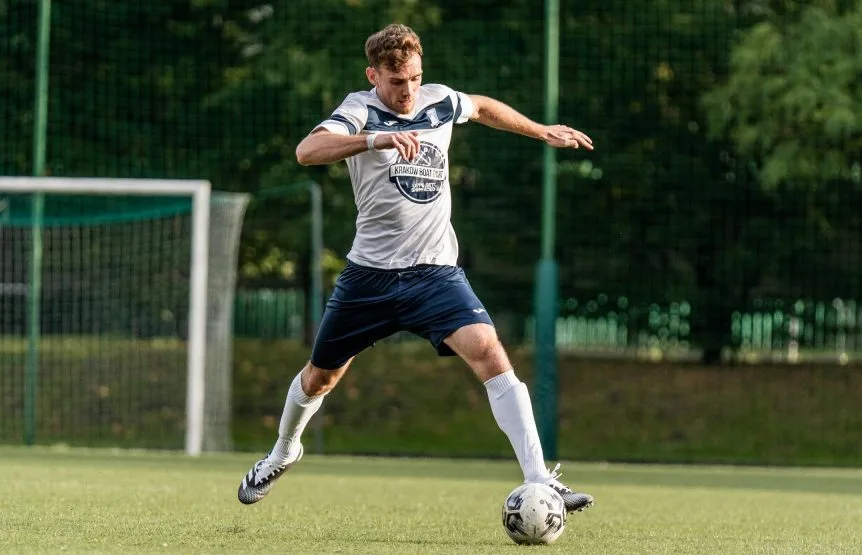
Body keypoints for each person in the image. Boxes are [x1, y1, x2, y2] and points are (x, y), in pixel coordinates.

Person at [237, 23, 595, 513]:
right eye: (396, 82)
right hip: (369, 276)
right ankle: (284, 451)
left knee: (491, 355)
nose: (407, 92)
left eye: (414, 79)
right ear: (373, 75)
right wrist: (375, 141)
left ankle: (540, 477)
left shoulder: (439, 101)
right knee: (321, 377)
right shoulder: (359, 109)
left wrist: (540, 131)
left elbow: (484, 106)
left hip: (434, 274)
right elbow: (306, 152)